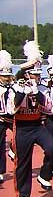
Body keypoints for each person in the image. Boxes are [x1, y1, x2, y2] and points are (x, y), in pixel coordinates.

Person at [7, 41, 53, 197]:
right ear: (27, 75)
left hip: (37, 125)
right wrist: (22, 93)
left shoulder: (41, 89)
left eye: (38, 74)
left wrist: (38, 95)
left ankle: (44, 175)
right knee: (23, 162)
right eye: (34, 74)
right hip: (21, 126)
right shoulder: (14, 88)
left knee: (51, 147)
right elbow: (11, 109)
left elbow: (50, 109)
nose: (37, 76)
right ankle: (23, 196)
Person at [0, 50, 14, 184]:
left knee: (22, 134)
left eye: (8, 76)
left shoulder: (13, 87)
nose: (7, 78)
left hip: (11, 117)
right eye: (4, 76)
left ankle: (13, 150)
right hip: (0, 119)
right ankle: (0, 171)